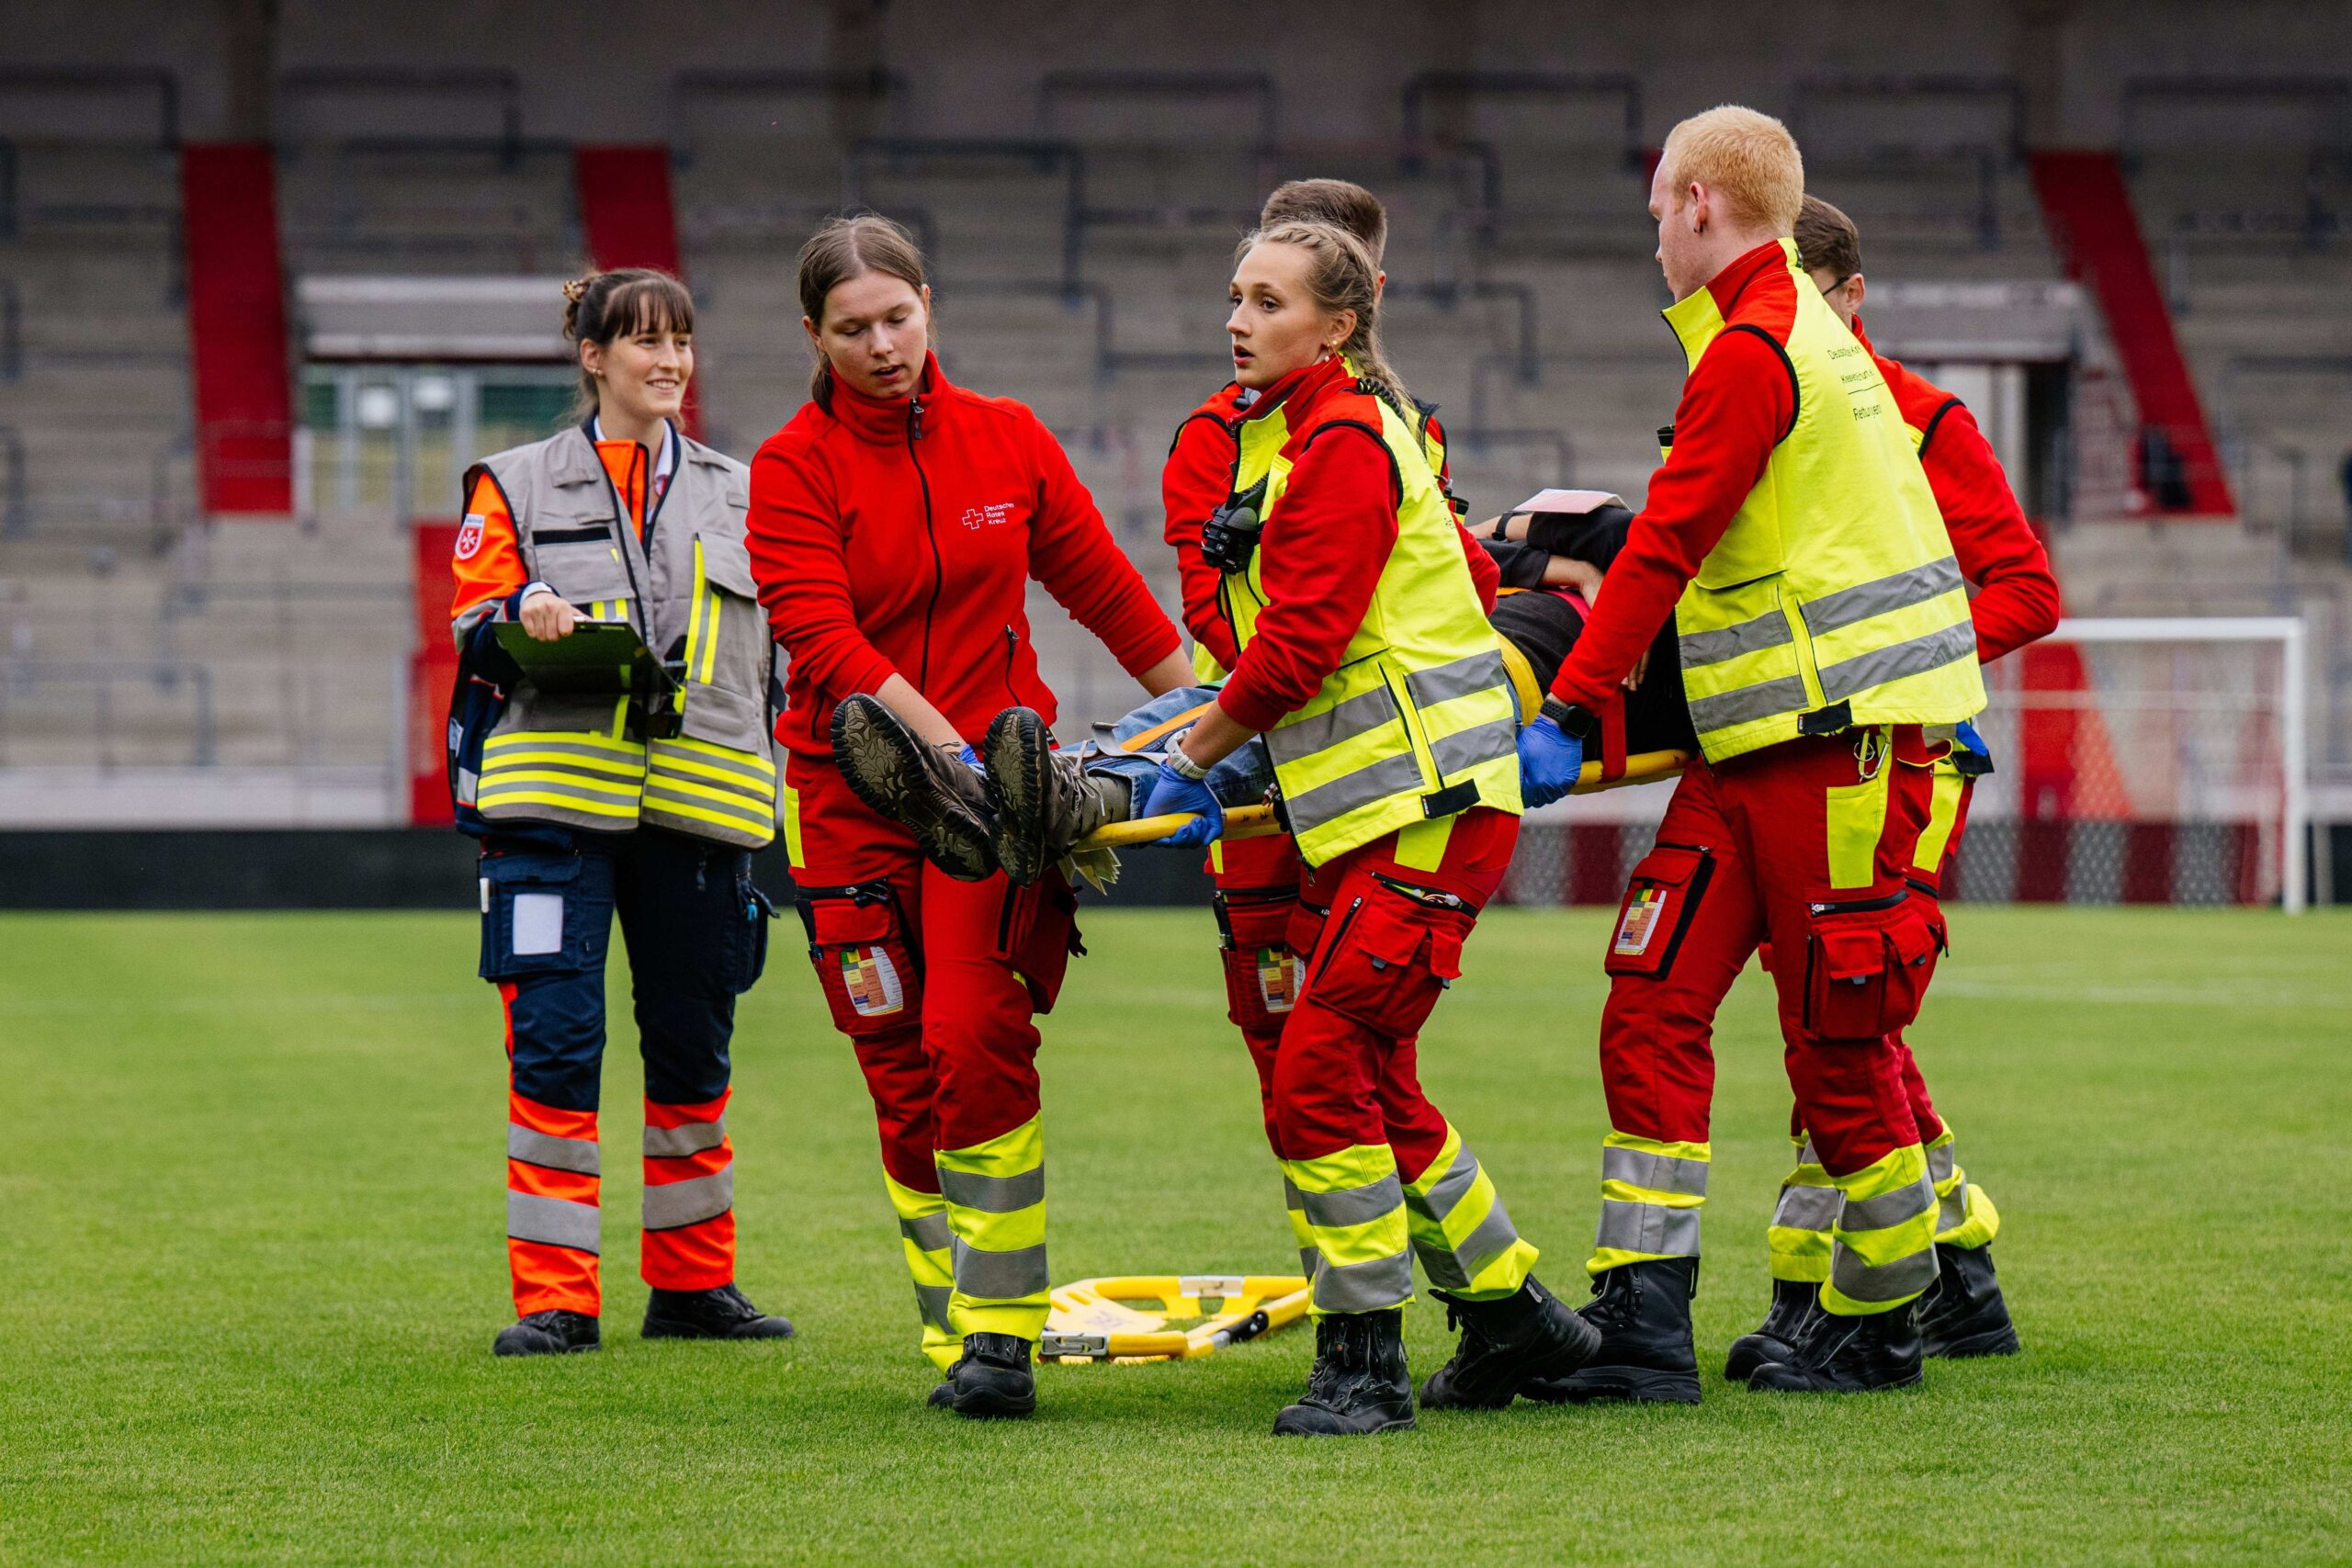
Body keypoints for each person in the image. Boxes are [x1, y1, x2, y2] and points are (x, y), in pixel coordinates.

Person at [1514, 107, 1988, 1398]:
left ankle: (1879, 1318)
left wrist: (1568, 712)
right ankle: (1644, 1321)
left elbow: (1667, 545)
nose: (1653, 234)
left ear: (1701, 207)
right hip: (1758, 751)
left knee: (1836, 1042)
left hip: (1831, 754)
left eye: (1657, 208)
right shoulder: (1809, 339)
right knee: (1651, 996)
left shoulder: (1756, 348)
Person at [1137, 218, 1600, 1436]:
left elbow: (1298, 647)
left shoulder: (1339, 442)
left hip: (1429, 810)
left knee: (1319, 1071)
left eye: (1270, 301)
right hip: (1388, 811)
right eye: (1235, 295)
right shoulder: (1319, 439)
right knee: (1371, 1070)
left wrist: (1191, 753)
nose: (1240, 320)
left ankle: (1366, 1365)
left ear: (1337, 326)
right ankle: (1513, 1313)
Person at [745, 215, 1191, 1418]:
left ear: (928, 305)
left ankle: (998, 1337)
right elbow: (824, 640)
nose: (883, 346)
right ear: (813, 335)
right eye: (853, 330)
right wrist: (949, 751)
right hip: (851, 804)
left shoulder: (1009, 438)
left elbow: (1106, 587)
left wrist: (1222, 722)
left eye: (898, 318)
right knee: (901, 1080)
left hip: (1000, 804)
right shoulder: (792, 468)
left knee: (971, 1031)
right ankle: (954, 1328)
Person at [1713, 195, 2061, 1377]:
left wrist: (1884, 668)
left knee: (1842, 1015)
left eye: (1801, 297)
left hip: (1898, 751)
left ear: (1850, 300)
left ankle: (1869, 1295)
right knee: (1847, 1021)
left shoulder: (1916, 414)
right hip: (1790, 752)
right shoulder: (1750, 393)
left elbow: (2024, 587)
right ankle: (1953, 1269)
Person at [447, 267, 794, 1357]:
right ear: (594, 357)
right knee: (555, 1048)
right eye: (645, 340)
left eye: (681, 340)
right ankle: (556, 1297)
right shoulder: (511, 482)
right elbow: (472, 616)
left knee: (693, 1052)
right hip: (553, 807)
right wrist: (521, 608)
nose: (670, 360)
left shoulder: (747, 491)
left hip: (702, 810)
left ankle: (692, 1287)